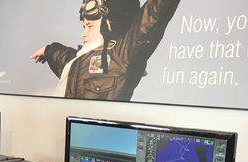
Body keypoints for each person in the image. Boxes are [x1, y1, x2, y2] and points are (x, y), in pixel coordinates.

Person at [30, 0, 180, 101]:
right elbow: (62, 55)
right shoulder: (75, 60)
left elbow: (152, 16)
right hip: (62, 136)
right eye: (83, 27)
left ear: (109, 25)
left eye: (90, 26)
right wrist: (48, 50)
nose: (83, 33)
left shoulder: (121, 55)